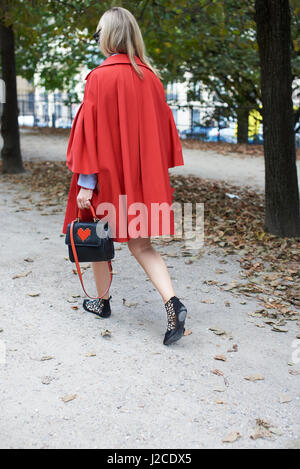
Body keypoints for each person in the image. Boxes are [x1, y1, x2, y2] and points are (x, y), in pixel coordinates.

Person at [62, 6, 188, 345]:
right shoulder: (152, 79)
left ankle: (101, 302)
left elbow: (89, 134)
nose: (97, 37)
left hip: (106, 176)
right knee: (142, 244)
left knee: (95, 236)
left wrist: (86, 183)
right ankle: (172, 304)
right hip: (140, 177)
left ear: (110, 36)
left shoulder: (98, 78)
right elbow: (161, 134)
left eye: (99, 31)